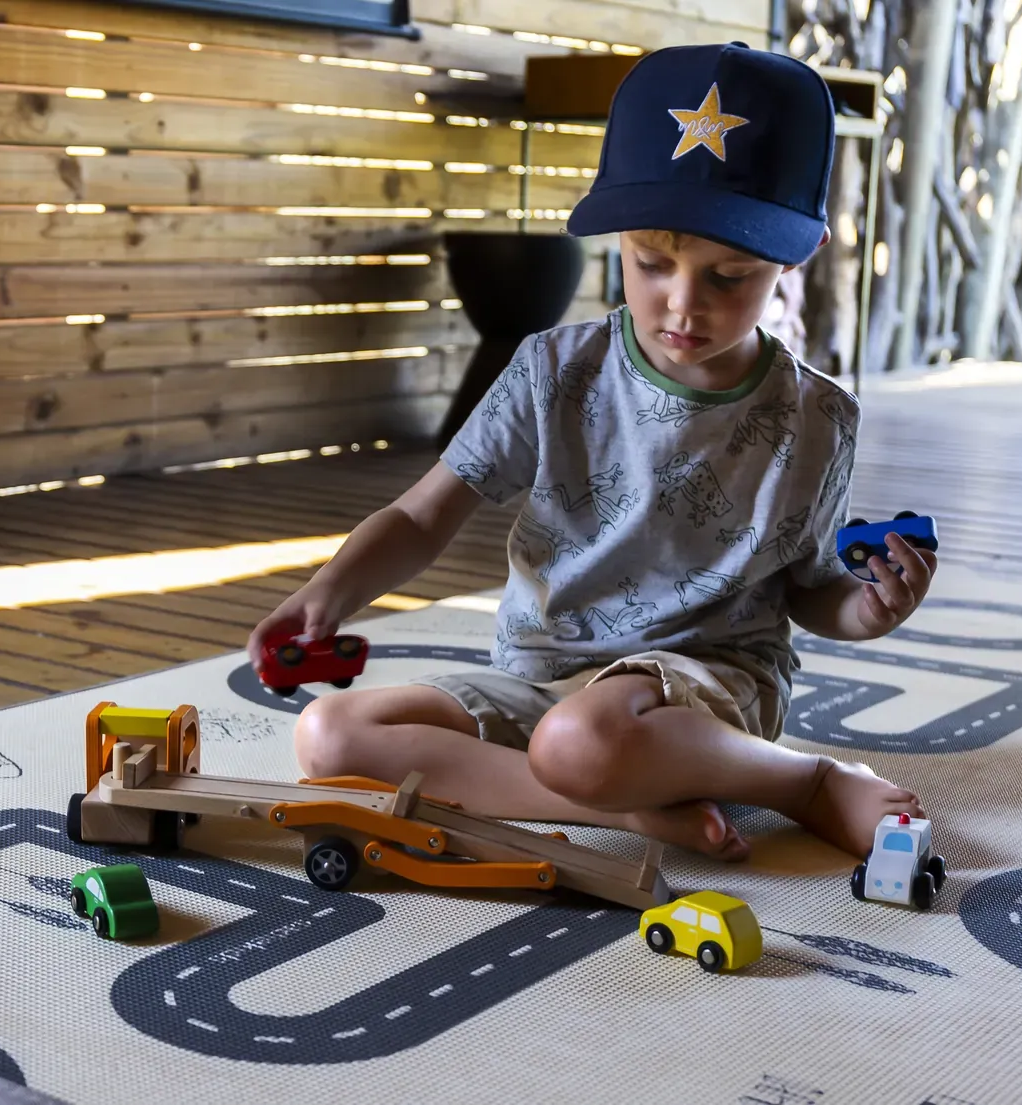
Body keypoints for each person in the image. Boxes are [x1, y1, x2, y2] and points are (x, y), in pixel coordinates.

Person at [246, 42, 937, 862]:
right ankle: (632, 810)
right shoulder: (553, 370)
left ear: (798, 254)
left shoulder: (815, 417)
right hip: (541, 678)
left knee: (580, 743)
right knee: (331, 739)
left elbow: (813, 588)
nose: (683, 304)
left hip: (698, 690)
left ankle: (807, 779)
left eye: (730, 277)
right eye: (651, 263)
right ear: (618, 240)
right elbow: (423, 514)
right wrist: (330, 593)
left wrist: (868, 611)